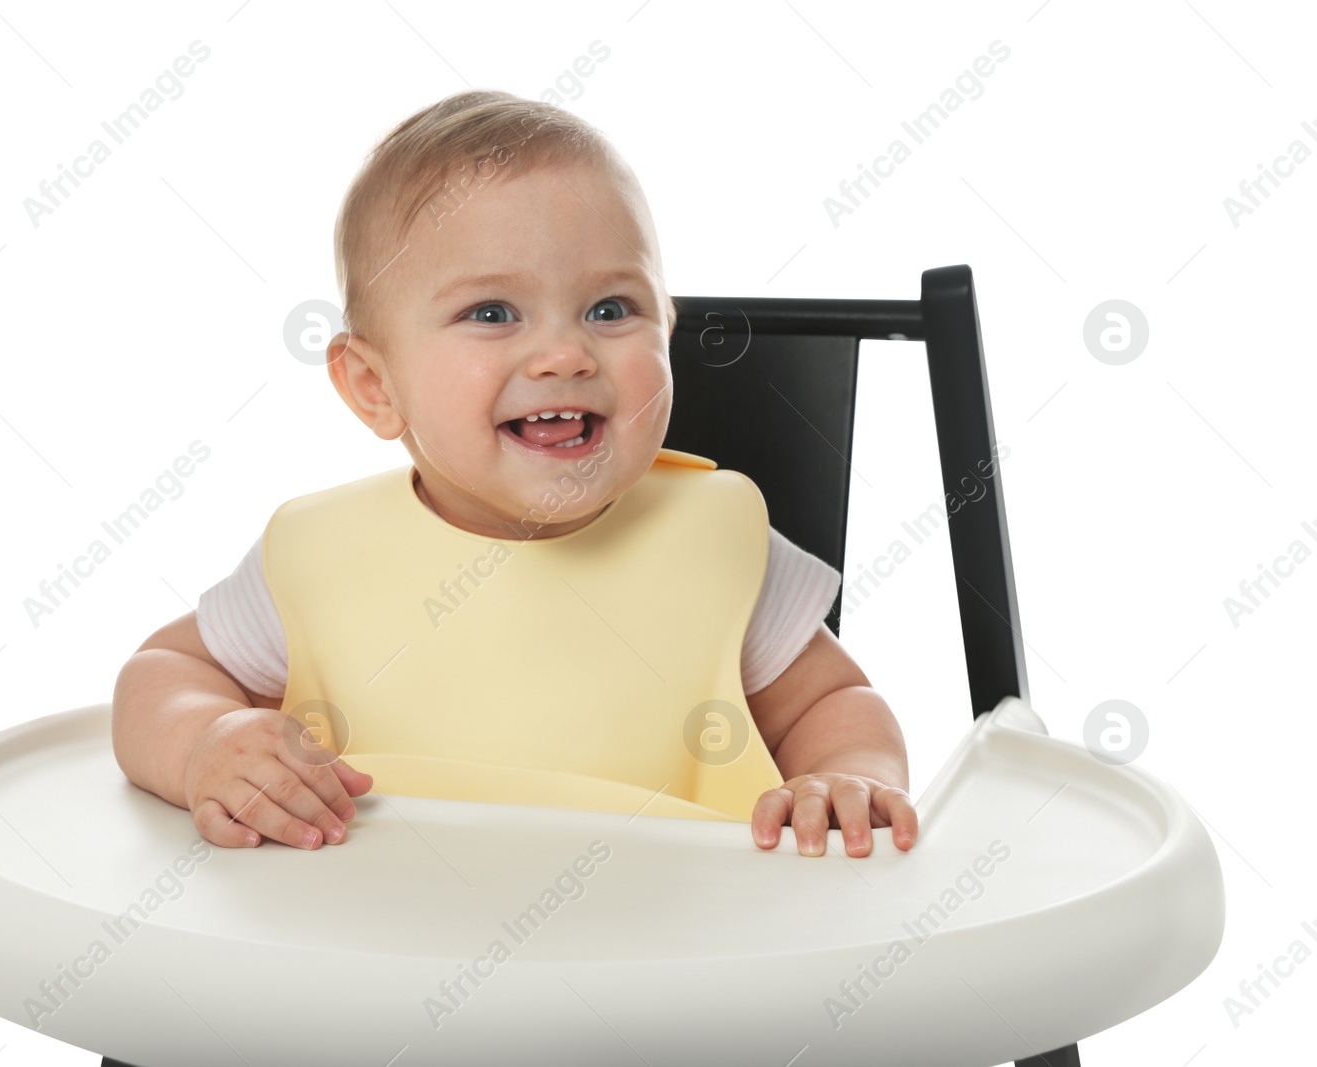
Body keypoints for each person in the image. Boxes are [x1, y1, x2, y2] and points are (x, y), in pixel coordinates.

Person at [112, 90, 918, 858]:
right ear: (374, 386)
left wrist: (846, 777)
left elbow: (830, 702)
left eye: (610, 308)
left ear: (666, 330)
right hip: (374, 961)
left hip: (674, 959)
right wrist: (207, 745)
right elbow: (164, 675)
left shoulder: (718, 542)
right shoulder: (318, 558)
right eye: (492, 312)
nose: (566, 354)